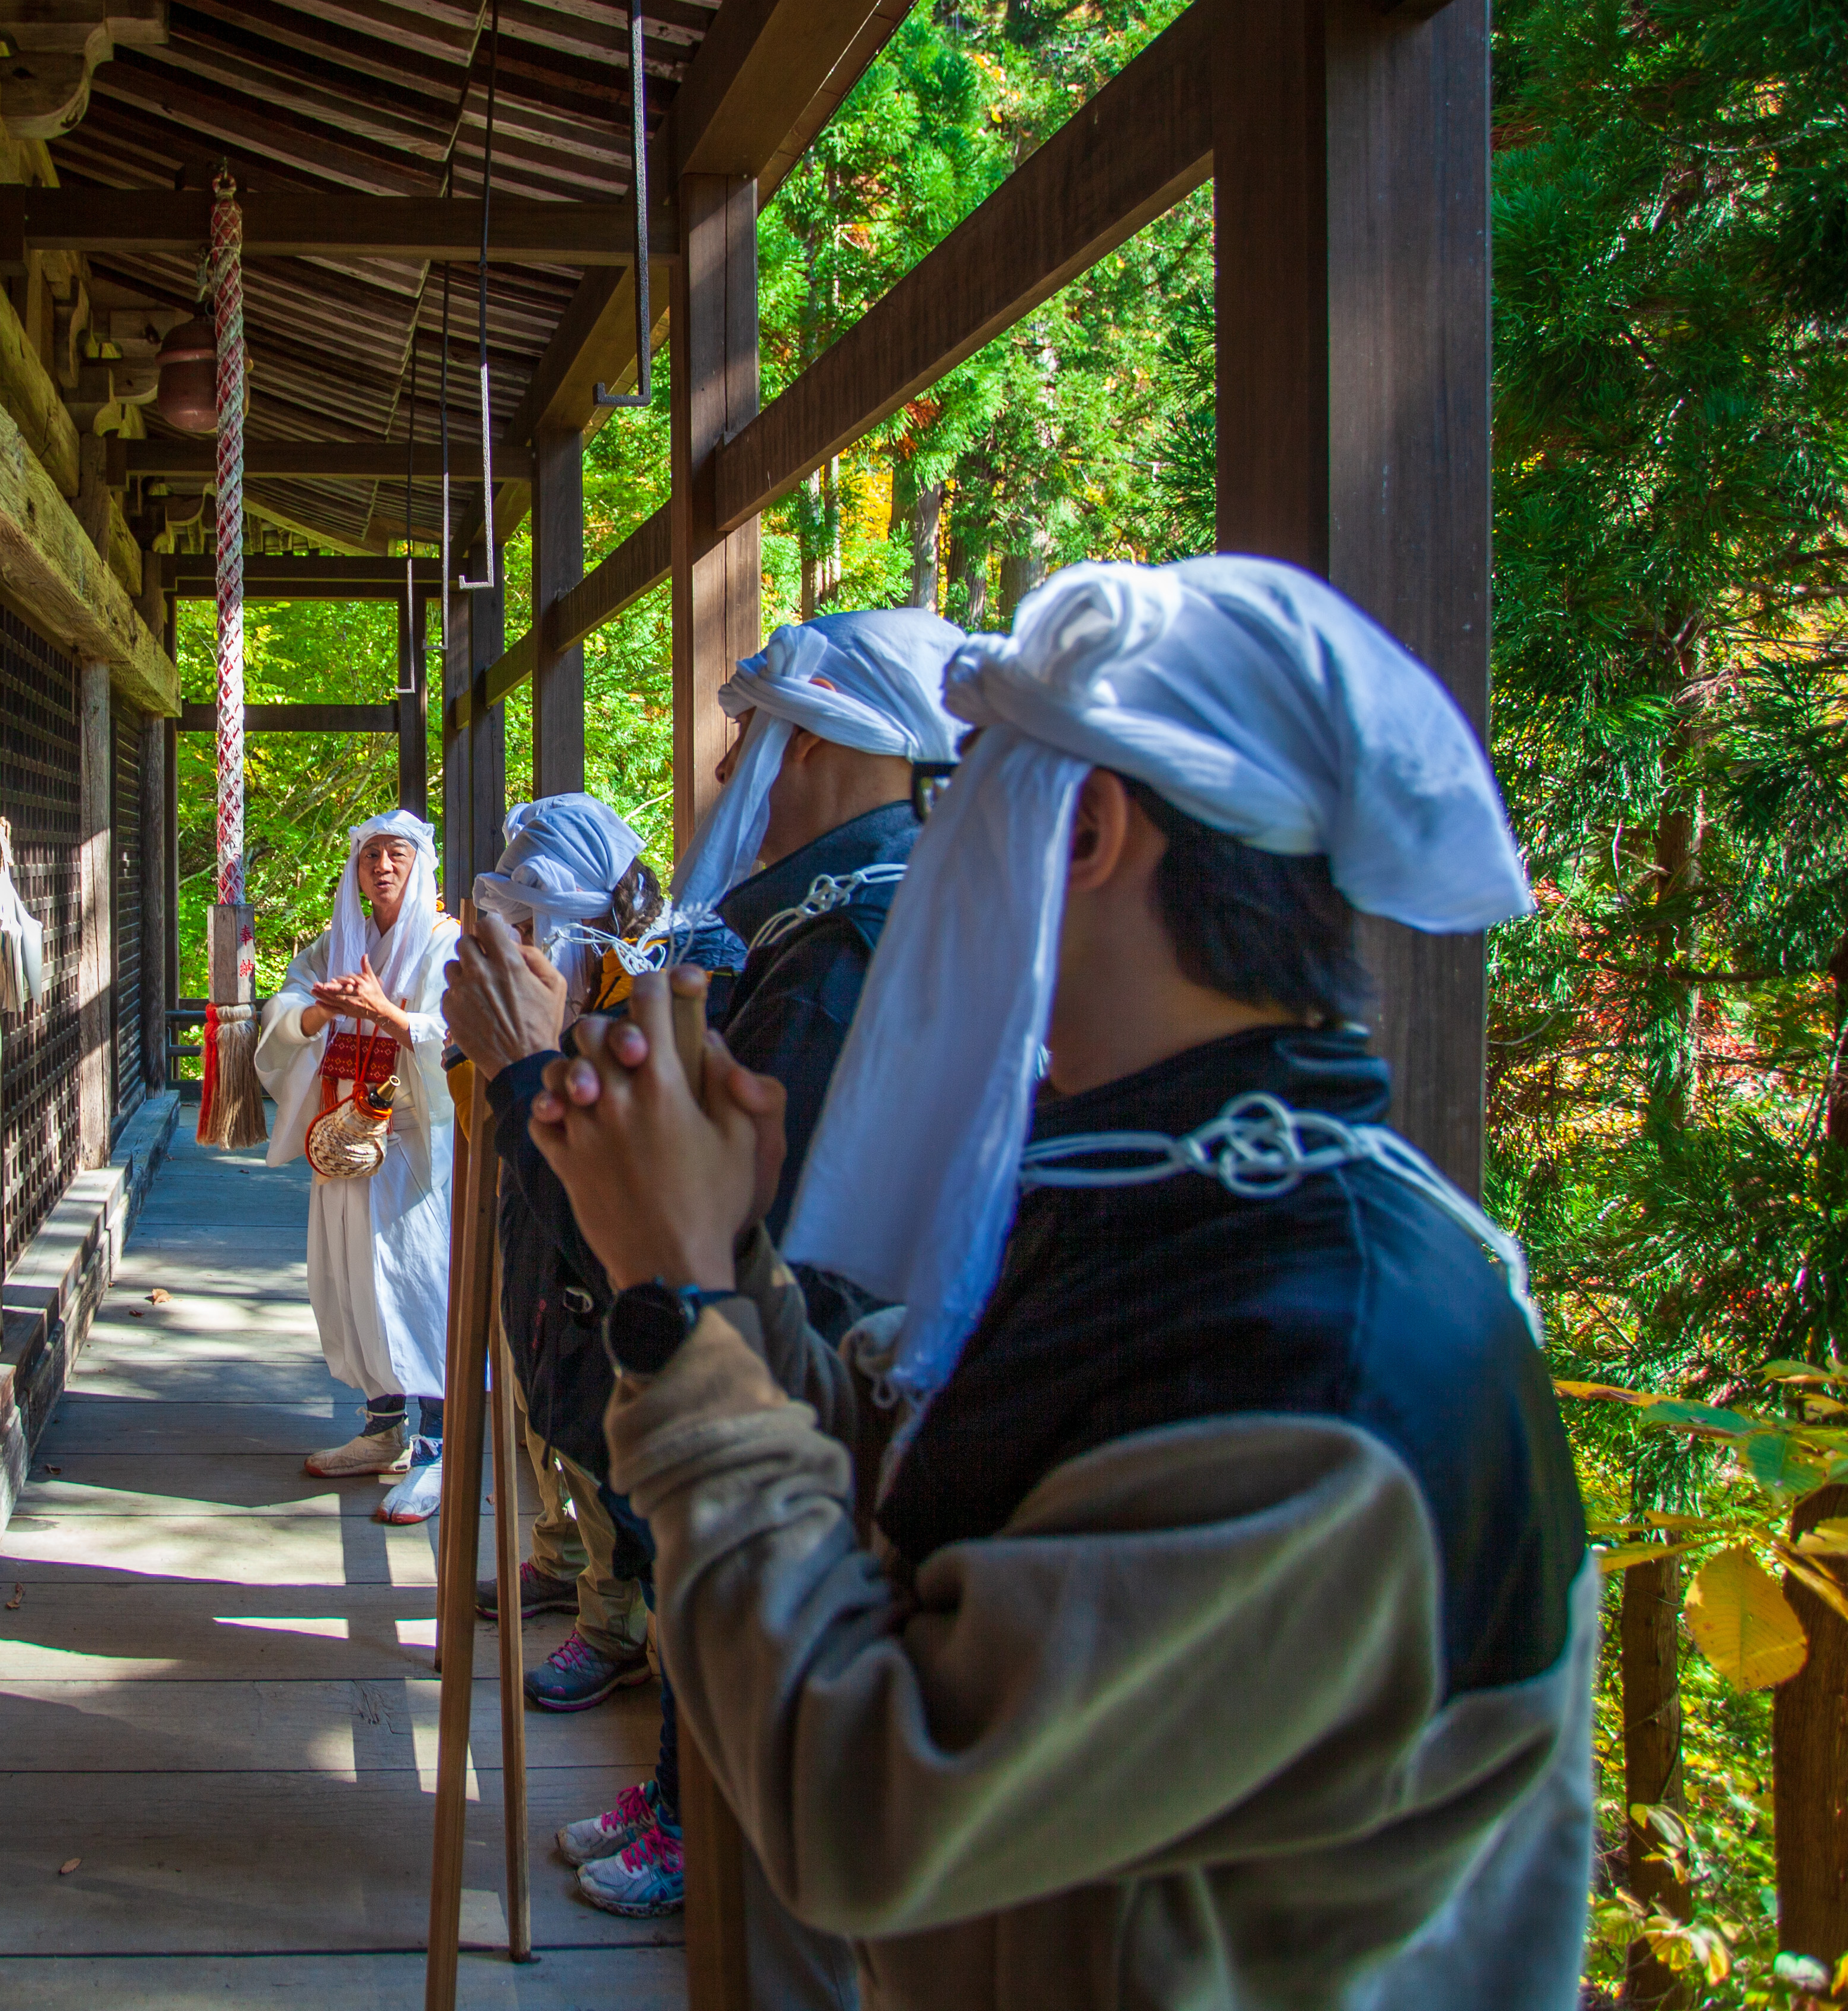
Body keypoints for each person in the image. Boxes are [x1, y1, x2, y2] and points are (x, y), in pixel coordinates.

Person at [528, 558, 1592, 2009]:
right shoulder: (1179, 1191)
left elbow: (865, 1804)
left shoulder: (1311, 1361)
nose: (937, 832)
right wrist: (728, 1260)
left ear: (1083, 828)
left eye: (968, 794)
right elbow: (927, 1473)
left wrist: (678, 1293)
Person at [443, 610, 963, 1922]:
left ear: (831, 738)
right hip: (772, 1388)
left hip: (789, 1404)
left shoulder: (847, 946)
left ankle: (708, 1823)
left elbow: (714, 1244)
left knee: (710, 1574)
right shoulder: (794, 928)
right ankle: (683, 1791)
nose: (731, 768)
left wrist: (529, 1077)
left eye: (753, 728)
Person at [454, 794, 671, 1717]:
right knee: (537, 1418)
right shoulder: (557, 1003)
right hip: (532, 1244)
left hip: (596, 1269)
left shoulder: (649, 1010)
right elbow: (484, 1111)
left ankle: (612, 1626)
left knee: (596, 1442)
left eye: (539, 926)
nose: (529, 946)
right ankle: (556, 1556)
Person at [256, 810, 464, 1525]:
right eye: (371, 853)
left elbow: (454, 1032)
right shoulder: (335, 942)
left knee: (417, 1291)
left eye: (396, 854)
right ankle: (383, 1428)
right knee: (348, 1283)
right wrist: (314, 1017)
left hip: (409, 1142)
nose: (382, 866)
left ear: (420, 864)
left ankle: (439, 1451)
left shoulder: (445, 943)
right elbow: (285, 1002)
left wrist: (387, 1013)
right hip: (342, 1135)